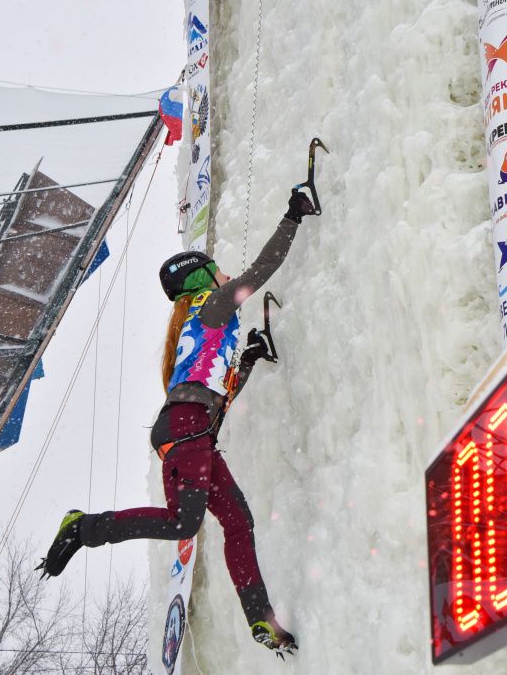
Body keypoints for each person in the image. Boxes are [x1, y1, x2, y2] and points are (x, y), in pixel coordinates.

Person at [37, 189, 317, 657]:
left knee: (237, 521)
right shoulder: (215, 302)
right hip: (188, 431)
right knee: (184, 523)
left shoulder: (200, 324)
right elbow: (261, 270)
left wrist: (245, 360)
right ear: (204, 276)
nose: (227, 273)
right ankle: (81, 528)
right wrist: (292, 217)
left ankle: (260, 621)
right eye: (218, 268)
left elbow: (216, 397)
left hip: (192, 433)